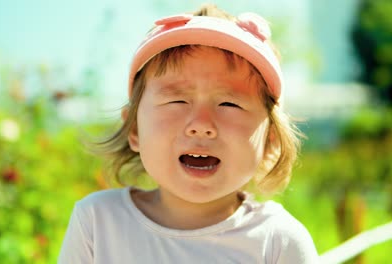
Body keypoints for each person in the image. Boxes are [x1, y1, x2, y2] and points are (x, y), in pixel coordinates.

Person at [58, 3, 319, 263]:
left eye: (229, 104)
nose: (201, 124)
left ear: (270, 138)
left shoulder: (278, 241)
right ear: (135, 128)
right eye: (177, 101)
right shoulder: (98, 223)